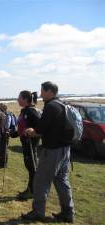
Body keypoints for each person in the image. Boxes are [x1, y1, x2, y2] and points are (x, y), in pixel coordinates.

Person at [22, 81, 75, 223]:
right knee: (62, 181)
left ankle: (38, 212)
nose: (40, 94)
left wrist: (31, 131)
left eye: (42, 91)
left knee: (40, 181)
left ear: (50, 91)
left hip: (52, 150)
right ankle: (68, 212)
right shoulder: (62, 104)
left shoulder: (51, 106)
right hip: (65, 149)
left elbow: (40, 129)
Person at [16, 91, 40, 200]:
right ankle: (30, 189)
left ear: (25, 99)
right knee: (29, 167)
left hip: (30, 144)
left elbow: (39, 128)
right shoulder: (24, 111)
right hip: (25, 144)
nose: (17, 99)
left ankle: (33, 191)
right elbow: (23, 127)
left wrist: (33, 135)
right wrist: (14, 133)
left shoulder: (31, 112)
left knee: (32, 168)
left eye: (19, 98)